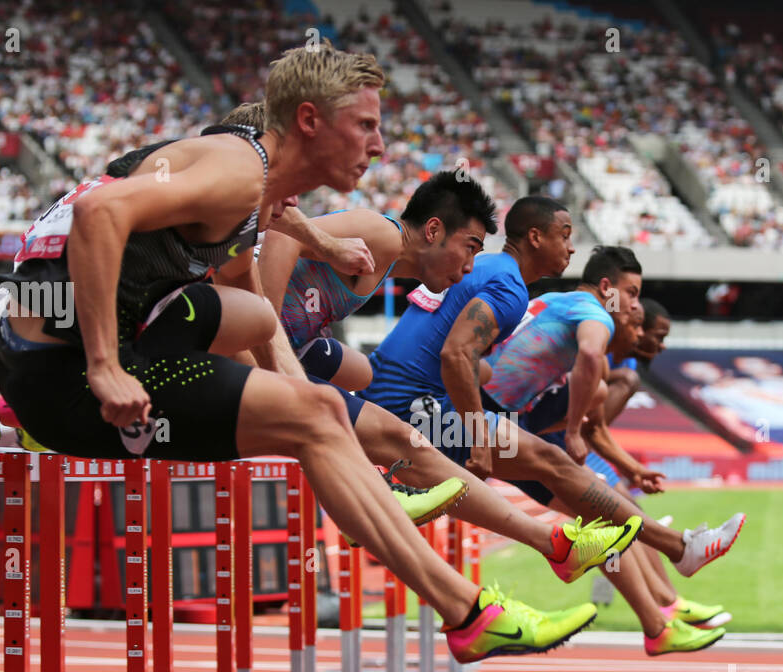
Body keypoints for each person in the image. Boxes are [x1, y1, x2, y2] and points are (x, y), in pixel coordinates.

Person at [0, 43, 597, 664]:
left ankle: (420, 541)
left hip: (89, 340)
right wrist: (105, 366)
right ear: (309, 121)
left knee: (288, 359)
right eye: (364, 125)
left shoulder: (250, 196)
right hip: (58, 374)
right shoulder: (237, 172)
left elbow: (250, 305)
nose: (379, 145)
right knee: (319, 410)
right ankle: (467, 611)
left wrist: (303, 392)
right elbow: (97, 211)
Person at [256, 164, 640, 582]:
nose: (471, 266)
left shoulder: (387, 266)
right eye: (471, 248)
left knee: (362, 378)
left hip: (307, 351)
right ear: (434, 231)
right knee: (380, 430)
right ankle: (371, 502)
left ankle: (373, 502)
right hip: (246, 339)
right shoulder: (382, 234)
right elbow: (280, 233)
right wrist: (270, 330)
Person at [359, 202, 746, 599]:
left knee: (569, 486)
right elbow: (459, 355)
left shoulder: (499, 277)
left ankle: (662, 596)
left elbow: (470, 359)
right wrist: (496, 433)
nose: (572, 248)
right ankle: (675, 553)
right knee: (559, 459)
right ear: (535, 236)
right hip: (423, 410)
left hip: (433, 403)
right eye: (565, 235)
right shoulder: (519, 288)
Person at [483, 250, 730, 653]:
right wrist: (581, 433)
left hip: (505, 419)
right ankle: (674, 572)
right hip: (479, 416)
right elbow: (592, 423)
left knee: (608, 517)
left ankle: (662, 612)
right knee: (609, 510)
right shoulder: (592, 318)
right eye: (632, 301)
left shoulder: (568, 313)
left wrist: (624, 464)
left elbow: (592, 422)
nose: (635, 314)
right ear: (606, 290)